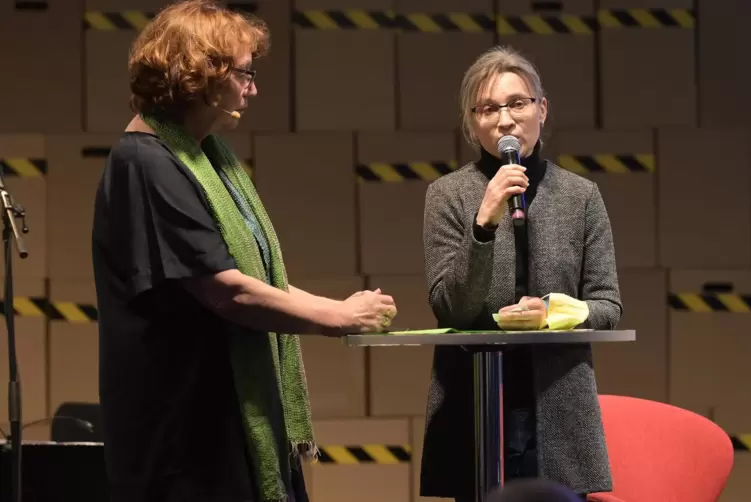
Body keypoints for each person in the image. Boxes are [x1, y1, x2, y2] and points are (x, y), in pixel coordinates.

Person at [90, 1, 397, 501]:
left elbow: (255, 275)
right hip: (184, 442)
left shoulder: (206, 157)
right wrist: (335, 316)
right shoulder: (145, 163)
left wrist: (337, 308)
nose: (252, 87)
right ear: (201, 74)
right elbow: (226, 290)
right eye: (245, 72)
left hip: (219, 422)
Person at [418, 45, 622, 502]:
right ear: (473, 123)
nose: (505, 120)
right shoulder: (447, 196)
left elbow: (607, 305)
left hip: (558, 401)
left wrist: (551, 312)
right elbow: (449, 306)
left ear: (541, 109)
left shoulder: (580, 196)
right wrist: (483, 222)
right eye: (488, 108)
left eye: (517, 103)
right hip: (475, 399)